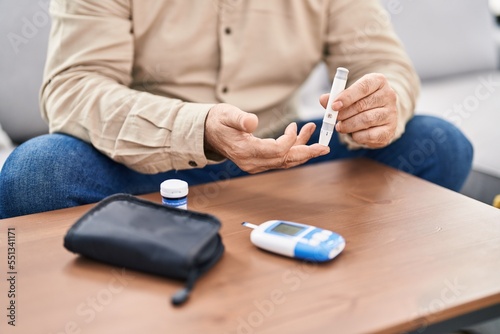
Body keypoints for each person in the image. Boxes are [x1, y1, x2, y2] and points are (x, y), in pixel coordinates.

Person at [0, 0, 472, 218]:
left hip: (291, 157)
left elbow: (382, 63)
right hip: (149, 164)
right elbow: (72, 87)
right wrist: (197, 129)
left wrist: (380, 104)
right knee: (37, 175)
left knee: (439, 142)